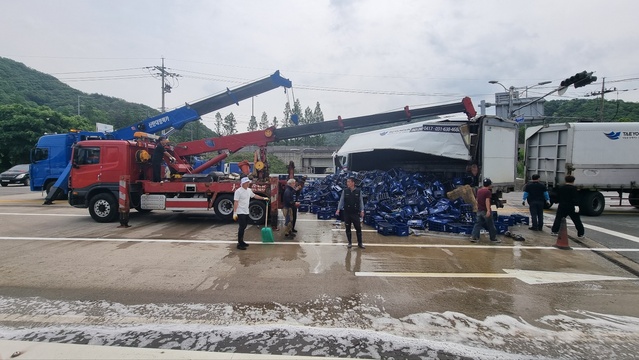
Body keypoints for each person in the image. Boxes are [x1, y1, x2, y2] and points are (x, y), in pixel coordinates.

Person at [233, 177, 268, 250]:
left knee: (244, 226)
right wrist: (235, 212)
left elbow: (254, 196)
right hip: (240, 212)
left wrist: (263, 198)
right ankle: (239, 243)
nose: (248, 184)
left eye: (248, 182)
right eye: (246, 183)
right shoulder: (238, 191)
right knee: (241, 227)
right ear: (243, 183)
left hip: (246, 211)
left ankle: (242, 241)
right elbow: (236, 202)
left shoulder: (249, 190)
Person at [335, 177, 365, 249]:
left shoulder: (358, 191)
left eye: (349, 182)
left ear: (353, 183)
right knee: (347, 228)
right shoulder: (345, 191)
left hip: (355, 212)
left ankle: (360, 243)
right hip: (347, 212)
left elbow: (361, 201)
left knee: (358, 228)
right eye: (347, 182)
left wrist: (362, 210)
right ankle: (349, 242)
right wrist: (338, 209)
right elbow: (341, 201)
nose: (347, 183)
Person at [470, 178, 500, 243]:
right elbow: (487, 201)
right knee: (490, 224)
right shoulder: (487, 192)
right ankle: (493, 238)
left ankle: (474, 237)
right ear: (489, 185)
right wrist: (488, 210)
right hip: (485, 211)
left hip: (479, 210)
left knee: (477, 224)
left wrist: (477, 207)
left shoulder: (479, 191)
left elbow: (477, 200)